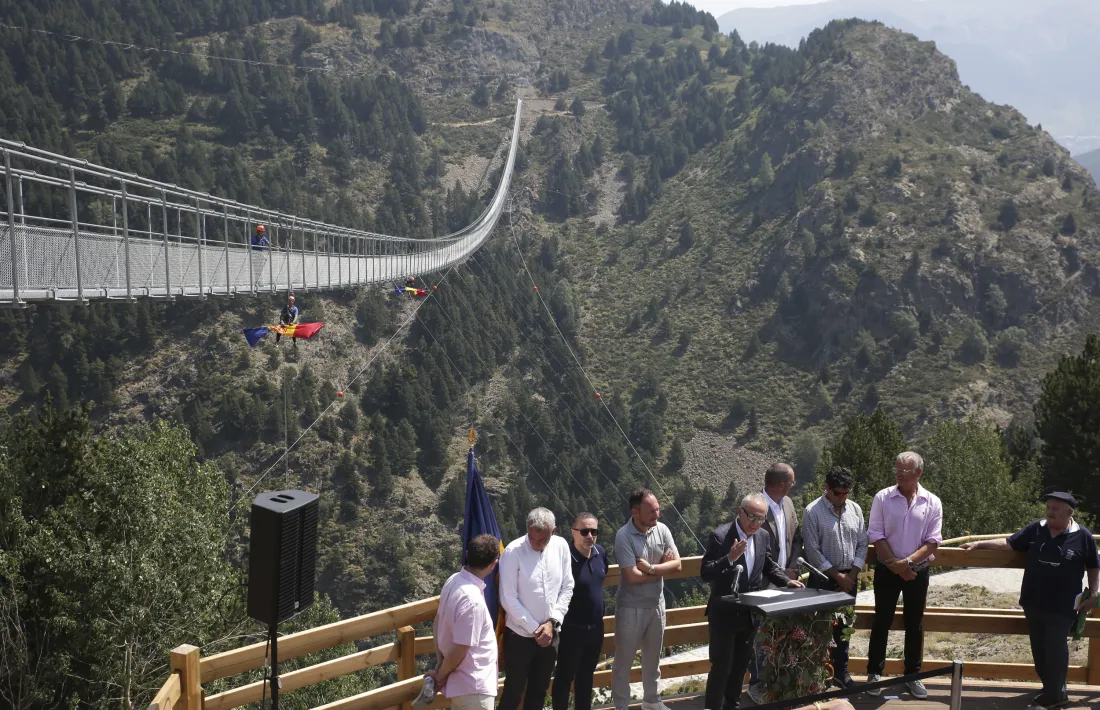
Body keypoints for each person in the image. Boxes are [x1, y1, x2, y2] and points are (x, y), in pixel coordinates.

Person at [961, 492, 1099, 708]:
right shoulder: (1036, 528)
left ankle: (1057, 694)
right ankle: (1051, 689)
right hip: (1033, 601)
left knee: (1055, 646)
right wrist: (979, 544)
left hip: (1063, 604)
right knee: (1039, 647)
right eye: (1048, 507)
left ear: (1069, 513)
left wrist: (1094, 594)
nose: (1050, 511)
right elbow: (1009, 543)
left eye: (1055, 509)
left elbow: (1093, 565)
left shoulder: (1083, 536)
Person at [700, 493, 805, 710]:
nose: (756, 523)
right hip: (724, 615)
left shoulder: (763, 536)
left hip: (749, 614)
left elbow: (768, 565)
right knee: (721, 668)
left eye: (761, 518)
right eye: (752, 517)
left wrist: (787, 582)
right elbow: (706, 572)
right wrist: (729, 558)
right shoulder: (720, 536)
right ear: (740, 512)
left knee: (740, 667)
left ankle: (732, 705)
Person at [865, 452, 943, 700]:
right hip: (887, 571)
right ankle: (874, 673)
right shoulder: (883, 497)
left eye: (904, 470)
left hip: (917, 572)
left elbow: (933, 541)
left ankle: (912, 676)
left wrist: (907, 564)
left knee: (914, 623)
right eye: (896, 469)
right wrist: (896, 566)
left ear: (918, 472)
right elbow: (876, 534)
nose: (898, 474)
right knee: (882, 620)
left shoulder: (932, 501)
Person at [498, 508, 575, 710]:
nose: (535, 544)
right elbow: (508, 598)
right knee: (513, 692)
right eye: (532, 538)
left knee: (539, 691)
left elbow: (567, 586)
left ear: (554, 531)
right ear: (527, 529)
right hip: (519, 636)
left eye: (542, 540)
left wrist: (552, 622)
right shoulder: (513, 552)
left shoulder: (561, 546)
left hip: (551, 634)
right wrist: (536, 629)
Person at [612, 488, 681, 710]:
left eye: (658, 509)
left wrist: (651, 568)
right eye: (651, 511)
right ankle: (621, 705)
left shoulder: (662, 529)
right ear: (635, 511)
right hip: (630, 608)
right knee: (624, 661)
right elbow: (631, 576)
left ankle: (652, 700)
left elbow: (677, 565)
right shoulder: (623, 535)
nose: (656, 514)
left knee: (653, 659)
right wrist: (662, 568)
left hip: (657, 605)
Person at [801, 466, 868, 690]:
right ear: (827, 488)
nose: (843, 497)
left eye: (847, 492)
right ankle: (817, 677)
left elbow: (862, 543)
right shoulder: (812, 511)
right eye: (838, 493)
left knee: (844, 629)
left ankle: (841, 673)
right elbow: (812, 550)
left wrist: (851, 575)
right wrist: (838, 576)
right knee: (819, 630)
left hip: (850, 578)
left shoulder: (855, 509)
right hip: (823, 579)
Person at [747, 463, 802, 703]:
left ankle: (779, 683)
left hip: (786, 583)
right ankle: (757, 684)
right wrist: (779, 573)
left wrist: (793, 569)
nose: (793, 485)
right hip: (762, 584)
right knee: (759, 638)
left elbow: (796, 537)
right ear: (781, 484)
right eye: (791, 482)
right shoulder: (755, 507)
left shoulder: (788, 503)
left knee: (783, 635)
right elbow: (751, 546)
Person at [427, 534, 502, 710]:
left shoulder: (452, 580)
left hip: (463, 687)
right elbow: (460, 649)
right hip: (474, 687)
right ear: (493, 565)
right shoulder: (473, 601)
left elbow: (438, 622)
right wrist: (440, 677)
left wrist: (439, 664)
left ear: (467, 555)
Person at [551, 513, 609, 710]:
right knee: (564, 677)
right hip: (571, 629)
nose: (590, 536)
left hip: (596, 628)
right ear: (573, 532)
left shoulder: (600, 553)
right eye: (584, 532)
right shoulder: (565, 559)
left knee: (586, 676)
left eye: (594, 531)